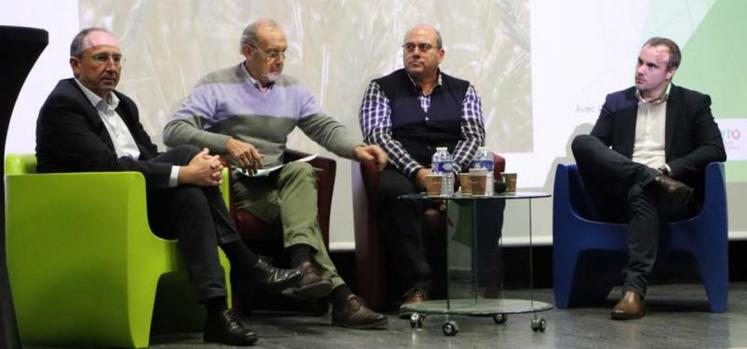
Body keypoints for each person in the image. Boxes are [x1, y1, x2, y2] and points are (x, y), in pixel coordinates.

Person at [35, 27, 306, 346]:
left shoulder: (123, 104)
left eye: (117, 59)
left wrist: (196, 173)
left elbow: (149, 156)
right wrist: (186, 172)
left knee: (192, 191)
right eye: (101, 58)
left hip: (136, 202)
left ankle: (218, 313)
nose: (112, 66)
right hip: (94, 210)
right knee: (187, 160)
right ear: (75, 64)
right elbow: (109, 167)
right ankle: (246, 263)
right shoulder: (64, 105)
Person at [162, 19, 389, 329]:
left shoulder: (291, 89)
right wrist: (227, 143)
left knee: (301, 170)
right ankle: (340, 297)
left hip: (278, 178)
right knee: (304, 218)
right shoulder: (217, 84)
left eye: (284, 52)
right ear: (247, 51)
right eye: (271, 52)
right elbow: (174, 131)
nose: (279, 60)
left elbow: (324, 127)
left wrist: (358, 149)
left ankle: (303, 267)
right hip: (238, 183)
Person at [571, 37, 726, 320]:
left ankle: (633, 292)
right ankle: (648, 176)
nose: (641, 70)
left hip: (670, 195)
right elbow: (594, 150)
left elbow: (715, 149)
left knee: (644, 192)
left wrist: (668, 171)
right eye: (640, 62)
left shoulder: (693, 103)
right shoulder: (616, 102)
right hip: (619, 193)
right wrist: (648, 174)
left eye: (651, 65)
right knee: (582, 143)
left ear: (670, 72)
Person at [359, 24, 504, 314]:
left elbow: (474, 136)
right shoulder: (381, 88)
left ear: (440, 54)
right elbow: (378, 136)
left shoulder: (464, 90)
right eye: (409, 47)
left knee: (493, 190)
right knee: (391, 190)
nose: (415, 53)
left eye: (423, 47)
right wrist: (418, 172)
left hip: (453, 169)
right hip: (404, 169)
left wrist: (447, 176)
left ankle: (478, 282)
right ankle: (418, 284)